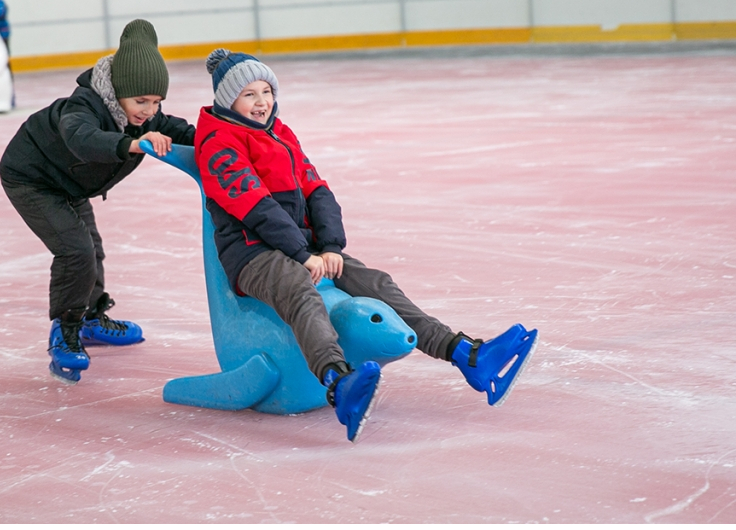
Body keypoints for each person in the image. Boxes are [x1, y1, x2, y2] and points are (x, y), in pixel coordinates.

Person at [195, 49, 538, 442]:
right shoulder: (218, 143)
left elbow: (317, 189)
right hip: (253, 252)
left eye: (266, 92)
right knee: (300, 291)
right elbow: (255, 206)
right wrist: (303, 254)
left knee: (377, 284)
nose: (262, 103)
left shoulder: (280, 132)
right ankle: (338, 382)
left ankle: (467, 356)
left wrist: (331, 247)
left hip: (303, 247)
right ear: (228, 101)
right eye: (249, 95)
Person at [0, 19, 196, 385]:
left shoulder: (142, 114)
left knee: (94, 250)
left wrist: (224, 140)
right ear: (119, 91)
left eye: (156, 102)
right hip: (33, 179)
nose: (149, 111)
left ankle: (90, 319)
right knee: (76, 251)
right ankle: (65, 330)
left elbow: (180, 129)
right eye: (141, 101)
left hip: (69, 183)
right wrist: (132, 144)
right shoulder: (84, 106)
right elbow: (82, 138)